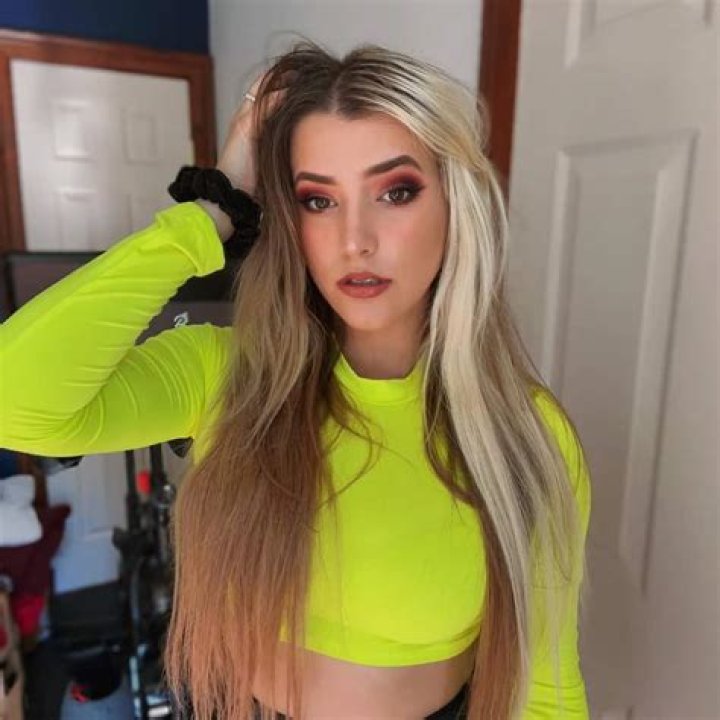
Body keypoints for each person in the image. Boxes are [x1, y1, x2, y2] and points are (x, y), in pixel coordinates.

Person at [0, 40, 591, 720]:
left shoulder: (527, 433)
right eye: (318, 200)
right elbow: (16, 400)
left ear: (458, 204)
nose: (354, 240)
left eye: (396, 191)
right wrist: (214, 206)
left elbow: (548, 687)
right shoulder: (230, 375)